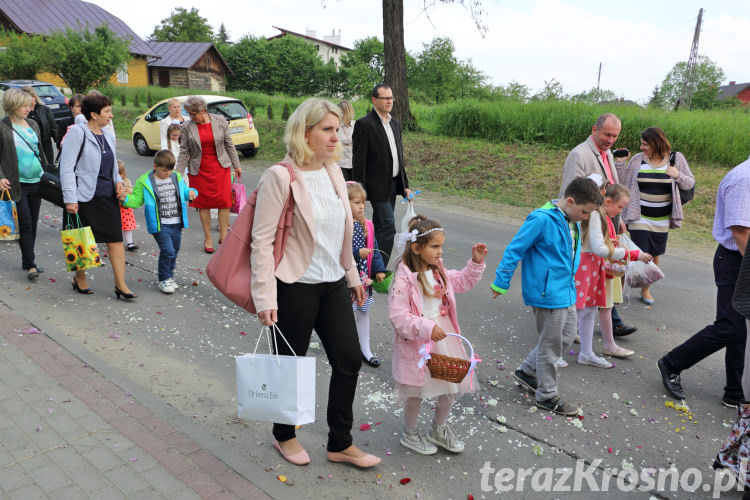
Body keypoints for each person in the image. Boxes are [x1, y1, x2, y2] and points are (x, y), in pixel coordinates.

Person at [251, 97, 380, 469]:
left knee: (349, 359)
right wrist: (265, 297)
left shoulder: (334, 172)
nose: (335, 137)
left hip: (333, 282)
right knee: (290, 364)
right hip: (294, 284)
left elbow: (344, 231)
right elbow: (261, 241)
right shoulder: (281, 176)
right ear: (304, 132)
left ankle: (340, 442)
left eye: (337, 129)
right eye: (327, 129)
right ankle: (284, 435)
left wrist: (353, 276)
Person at [492, 177, 602, 416]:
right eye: (584, 212)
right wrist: (501, 281)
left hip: (566, 290)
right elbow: (515, 249)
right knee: (551, 346)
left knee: (564, 337)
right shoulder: (541, 220)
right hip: (547, 293)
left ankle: (527, 371)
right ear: (570, 201)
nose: (585, 217)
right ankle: (547, 396)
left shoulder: (570, 219)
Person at [389, 215, 486, 455]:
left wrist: (475, 264)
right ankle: (409, 433)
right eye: (435, 246)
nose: (440, 252)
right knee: (417, 392)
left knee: (450, 386)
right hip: (419, 344)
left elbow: (461, 281)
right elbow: (398, 316)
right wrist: (426, 328)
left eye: (441, 246)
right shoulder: (404, 280)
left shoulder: (439, 271)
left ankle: (439, 428)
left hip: (444, 339)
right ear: (416, 248)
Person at [657, 156, 750, 408]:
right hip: (737, 259)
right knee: (729, 326)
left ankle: (734, 392)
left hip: (739, 259)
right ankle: (671, 363)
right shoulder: (745, 178)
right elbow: (741, 231)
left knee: (738, 328)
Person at [559, 112, 637, 338]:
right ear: (594, 130)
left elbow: (611, 187)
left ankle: (605, 320)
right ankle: (571, 326)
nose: (611, 140)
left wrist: (617, 220)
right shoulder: (580, 155)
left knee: (599, 276)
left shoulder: (607, 154)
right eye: (607, 134)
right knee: (583, 278)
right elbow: (570, 194)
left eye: (615, 136)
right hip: (586, 227)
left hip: (604, 222)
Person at [60, 93, 135, 300]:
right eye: (107, 111)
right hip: (83, 196)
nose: (111, 115)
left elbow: (111, 166)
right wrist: (70, 198)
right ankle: (80, 278)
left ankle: (121, 285)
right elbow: (66, 168)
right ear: (93, 114)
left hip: (107, 196)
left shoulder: (108, 134)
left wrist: (118, 182)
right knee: (82, 240)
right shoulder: (78, 132)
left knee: (115, 240)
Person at [576, 181, 652, 367]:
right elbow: (599, 248)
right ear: (607, 200)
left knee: (590, 310)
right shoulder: (596, 216)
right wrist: (632, 254)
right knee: (578, 312)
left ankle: (586, 353)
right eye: (620, 207)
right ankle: (554, 354)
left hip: (595, 268)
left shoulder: (603, 217)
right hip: (587, 267)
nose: (620, 211)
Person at [617, 126, 695, 305]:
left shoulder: (676, 158)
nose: (642, 147)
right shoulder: (638, 159)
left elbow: (690, 183)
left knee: (654, 253)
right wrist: (620, 162)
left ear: (656, 143)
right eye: (641, 143)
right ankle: (620, 290)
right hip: (639, 216)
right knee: (637, 251)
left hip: (662, 219)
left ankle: (646, 288)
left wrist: (677, 175)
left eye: (645, 144)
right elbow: (622, 182)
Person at [122, 150, 197, 294]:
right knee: (168, 251)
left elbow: (185, 192)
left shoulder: (176, 177)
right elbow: (137, 200)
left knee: (174, 251)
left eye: (170, 170)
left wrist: (192, 193)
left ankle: (169, 277)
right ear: (155, 166)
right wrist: (125, 199)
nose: (167, 174)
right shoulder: (145, 181)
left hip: (177, 222)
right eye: (164, 171)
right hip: (160, 224)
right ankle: (163, 279)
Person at [352, 84, 411, 266]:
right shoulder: (365, 124)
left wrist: (405, 185)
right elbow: (359, 161)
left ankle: (368, 264)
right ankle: (380, 269)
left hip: (393, 184)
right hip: (376, 186)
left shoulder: (395, 123)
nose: (389, 101)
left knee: (379, 228)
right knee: (388, 227)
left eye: (391, 97)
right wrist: (358, 191)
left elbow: (398, 156)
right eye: (385, 98)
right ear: (374, 100)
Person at [175, 96, 241, 254]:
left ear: (203, 111)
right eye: (189, 114)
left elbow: (229, 144)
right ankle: (208, 238)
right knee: (202, 204)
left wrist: (236, 165)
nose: (190, 117)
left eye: (193, 114)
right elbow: (184, 152)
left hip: (220, 167)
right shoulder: (187, 127)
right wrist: (177, 174)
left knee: (224, 202)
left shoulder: (219, 121)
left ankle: (223, 235)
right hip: (199, 169)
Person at [0, 88, 48, 280]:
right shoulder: (3, 127)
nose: (29, 108)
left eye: (29, 105)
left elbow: (40, 149)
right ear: (13, 105)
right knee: (26, 223)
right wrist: (1, 176)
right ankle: (31, 265)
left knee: (32, 223)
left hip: (37, 181)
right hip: (16, 184)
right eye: (24, 105)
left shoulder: (32, 124)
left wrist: (47, 170)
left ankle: (28, 260)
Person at [347, 181, 387, 367]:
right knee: (345, 315)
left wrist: (378, 270)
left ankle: (365, 348)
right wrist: (356, 253)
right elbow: (339, 251)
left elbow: (375, 249)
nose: (361, 206)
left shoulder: (367, 225)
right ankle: (347, 347)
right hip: (347, 280)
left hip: (364, 280)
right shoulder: (342, 226)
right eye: (356, 202)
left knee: (364, 312)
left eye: (363, 202)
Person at [22, 86, 58, 166]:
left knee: (48, 172)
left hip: (46, 147)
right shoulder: (22, 112)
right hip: (29, 149)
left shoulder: (45, 110)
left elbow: (54, 128)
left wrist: (59, 145)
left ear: (34, 97)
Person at [118, 160, 138, 252]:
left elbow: (131, 190)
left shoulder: (126, 181)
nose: (119, 177)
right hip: (116, 208)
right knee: (116, 226)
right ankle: (116, 241)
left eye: (120, 174)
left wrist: (126, 189)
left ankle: (130, 242)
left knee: (127, 226)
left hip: (125, 207)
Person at [337, 100, 355, 181]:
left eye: (342, 112)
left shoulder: (356, 125)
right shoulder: (336, 126)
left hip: (354, 164)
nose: (340, 114)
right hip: (340, 164)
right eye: (339, 112)